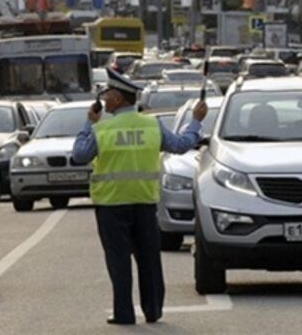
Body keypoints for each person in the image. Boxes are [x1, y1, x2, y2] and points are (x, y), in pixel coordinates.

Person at [72, 68, 207, 325]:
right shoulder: (152, 125)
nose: (104, 98)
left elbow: (79, 155)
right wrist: (196, 121)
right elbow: (180, 145)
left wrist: (88, 122)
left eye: (108, 93)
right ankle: (153, 310)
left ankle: (124, 313)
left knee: (118, 260)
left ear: (120, 99)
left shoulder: (103, 129)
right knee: (149, 258)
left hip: (111, 204)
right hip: (144, 202)